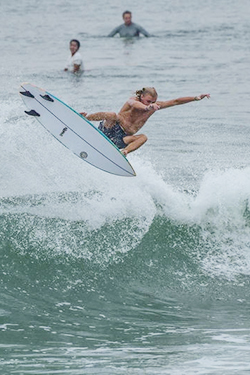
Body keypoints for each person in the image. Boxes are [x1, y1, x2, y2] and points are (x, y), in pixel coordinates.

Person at [80, 87, 210, 156]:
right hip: (110, 129)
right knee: (112, 115)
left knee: (143, 137)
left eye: (153, 102)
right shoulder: (133, 101)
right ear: (141, 97)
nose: (152, 104)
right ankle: (85, 118)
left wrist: (196, 98)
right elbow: (136, 105)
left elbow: (175, 101)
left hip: (122, 139)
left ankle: (124, 153)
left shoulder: (154, 106)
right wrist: (147, 107)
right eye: (148, 101)